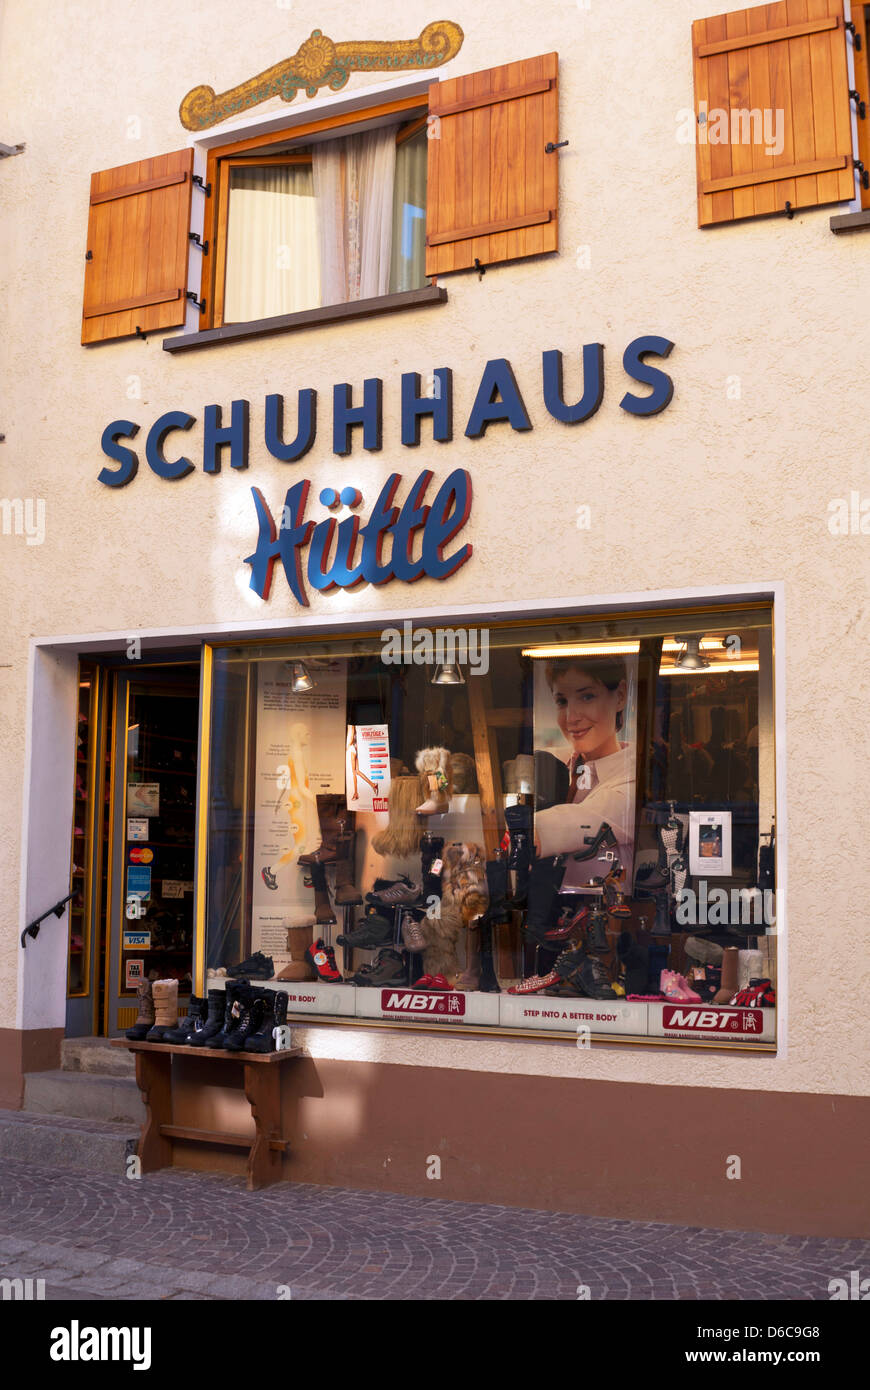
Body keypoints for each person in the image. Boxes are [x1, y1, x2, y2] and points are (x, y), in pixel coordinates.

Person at [534, 656, 636, 889]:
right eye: (562, 701)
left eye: (587, 696)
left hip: (609, 915)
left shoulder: (632, 781)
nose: (572, 717)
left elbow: (570, 824)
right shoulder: (558, 766)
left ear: (619, 696)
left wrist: (516, 829)